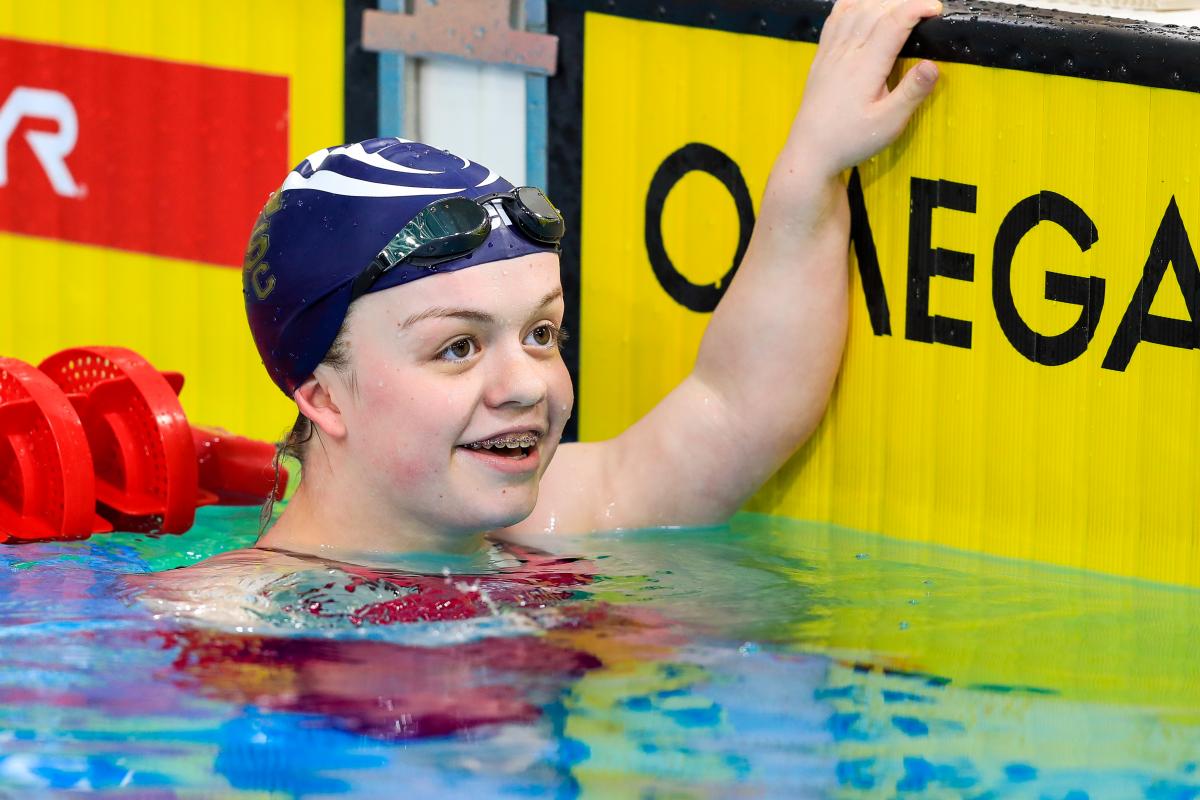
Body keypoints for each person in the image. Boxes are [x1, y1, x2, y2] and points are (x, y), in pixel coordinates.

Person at [140, 0, 941, 592]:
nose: (526, 385)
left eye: (541, 335)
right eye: (457, 347)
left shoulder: (551, 518)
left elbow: (736, 407)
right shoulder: (230, 617)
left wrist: (814, 162)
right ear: (321, 396)